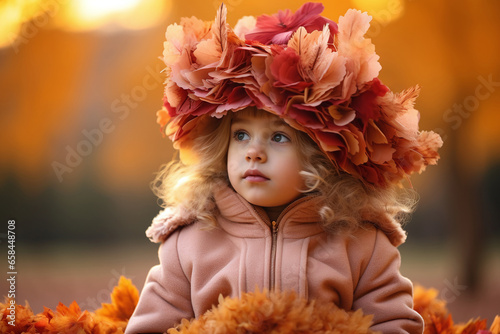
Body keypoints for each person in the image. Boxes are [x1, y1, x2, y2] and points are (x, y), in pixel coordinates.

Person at [125, 3, 442, 333]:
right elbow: (150, 326)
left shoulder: (360, 243)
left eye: (278, 137)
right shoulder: (190, 243)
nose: (254, 153)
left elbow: (394, 324)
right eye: (241, 134)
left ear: (322, 155)